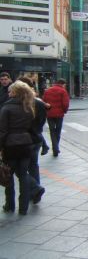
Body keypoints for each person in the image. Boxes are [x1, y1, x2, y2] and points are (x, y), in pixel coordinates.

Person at [0, 81, 35, 215]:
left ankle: (10, 205)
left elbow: (3, 131)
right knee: (23, 175)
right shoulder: (28, 106)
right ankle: (23, 207)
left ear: (15, 93)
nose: (8, 93)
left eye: (10, 91)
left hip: (11, 144)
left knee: (8, 175)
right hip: (26, 144)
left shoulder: (7, 108)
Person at [16, 77, 47, 204]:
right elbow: (42, 121)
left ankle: (34, 189)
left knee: (21, 169)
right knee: (33, 166)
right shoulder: (40, 102)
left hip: (25, 140)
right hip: (36, 138)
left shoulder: (21, 103)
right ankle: (35, 192)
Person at [42, 78, 70, 156]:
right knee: (58, 131)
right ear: (63, 84)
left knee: (52, 131)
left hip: (49, 114)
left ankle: (55, 147)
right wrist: (65, 111)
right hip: (59, 115)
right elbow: (65, 103)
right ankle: (56, 148)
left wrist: (46, 110)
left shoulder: (47, 90)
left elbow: (43, 101)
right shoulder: (63, 91)